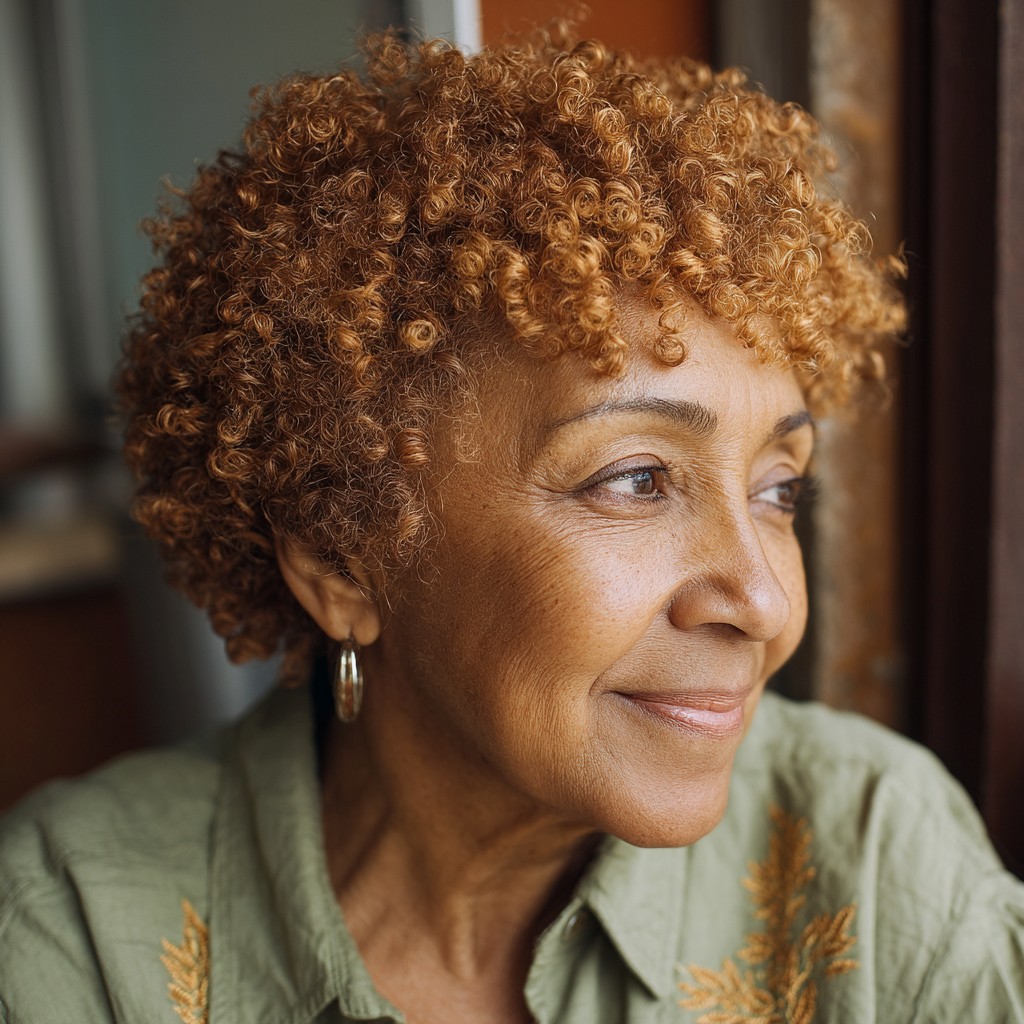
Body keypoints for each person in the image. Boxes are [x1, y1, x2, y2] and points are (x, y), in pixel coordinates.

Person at [1, 21, 1022, 1024]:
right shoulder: (74, 936)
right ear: (341, 560)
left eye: (777, 488)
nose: (760, 601)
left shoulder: (878, 858)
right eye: (634, 480)